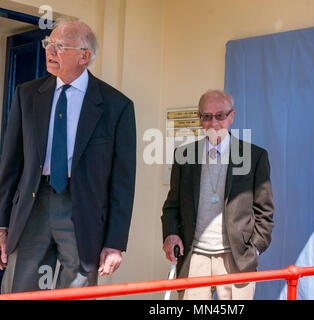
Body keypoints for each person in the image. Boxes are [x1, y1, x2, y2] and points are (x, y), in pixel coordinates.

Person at [0, 18, 136, 293]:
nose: (49, 51)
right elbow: (10, 166)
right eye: (48, 44)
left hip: (83, 211)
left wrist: (115, 242)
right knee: (23, 291)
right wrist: (1, 224)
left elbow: (123, 181)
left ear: (84, 56)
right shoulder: (27, 95)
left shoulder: (116, 105)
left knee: (77, 294)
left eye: (59, 46)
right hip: (32, 207)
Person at [161, 90, 274, 300]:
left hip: (236, 259)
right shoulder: (184, 156)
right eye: (206, 116)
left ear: (232, 116)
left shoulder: (255, 157)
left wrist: (253, 250)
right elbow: (171, 207)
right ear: (199, 118)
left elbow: (265, 213)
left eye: (220, 116)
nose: (213, 123)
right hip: (194, 258)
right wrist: (170, 234)